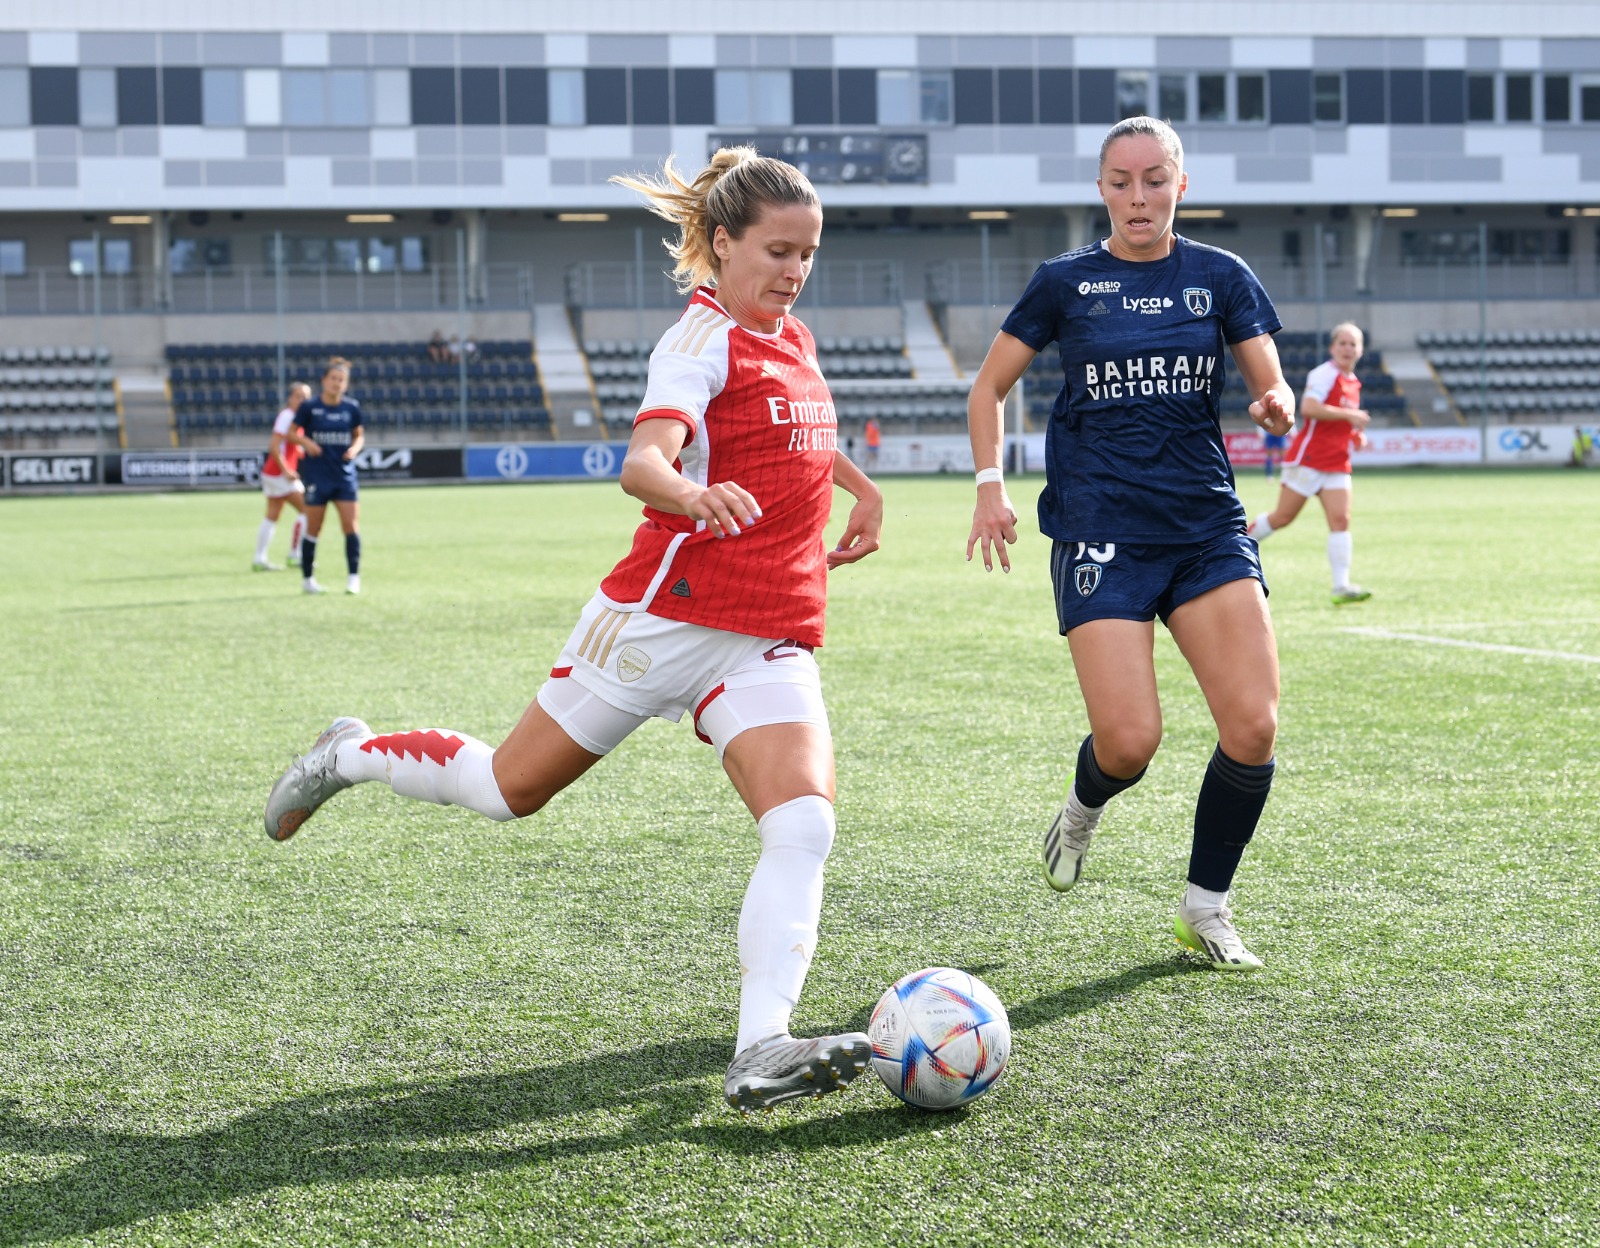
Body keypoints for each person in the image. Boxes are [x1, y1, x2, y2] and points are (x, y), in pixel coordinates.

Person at [264, 147, 885, 1112]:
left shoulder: (790, 335)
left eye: (808, 253)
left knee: (803, 823)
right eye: (777, 251)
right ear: (722, 246)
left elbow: (794, 433)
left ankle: (762, 1045)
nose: (795, 271)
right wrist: (691, 493)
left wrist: (859, 486)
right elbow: (645, 463)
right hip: (657, 622)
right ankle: (347, 755)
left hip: (764, 632)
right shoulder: (698, 339)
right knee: (506, 790)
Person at [965, 115, 1294, 972]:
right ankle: (1083, 807)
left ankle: (1205, 908)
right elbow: (989, 387)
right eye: (1121, 181)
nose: (1138, 197)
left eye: (1155, 179)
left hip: (1203, 528)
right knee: (1128, 745)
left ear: (1181, 184)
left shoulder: (1219, 276)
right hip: (1100, 527)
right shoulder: (1065, 283)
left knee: (1254, 726)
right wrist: (989, 486)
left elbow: (1269, 380)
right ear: (1102, 189)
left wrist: (1275, 405)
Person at [1248, 322, 1372, 604]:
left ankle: (1341, 587)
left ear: (1361, 350)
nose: (1347, 348)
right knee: (1282, 517)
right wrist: (1349, 417)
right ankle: (1233, 546)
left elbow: (1338, 419)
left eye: (1353, 344)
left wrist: (1354, 435)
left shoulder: (1353, 382)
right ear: (1332, 348)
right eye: (1342, 343)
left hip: (1337, 461)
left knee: (1341, 520)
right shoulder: (1325, 374)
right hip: (1310, 459)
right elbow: (1309, 408)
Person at [289, 357, 364, 595]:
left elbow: (359, 435)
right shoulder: (310, 407)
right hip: (317, 476)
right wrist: (307, 442)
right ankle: (307, 580)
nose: (337, 383)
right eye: (333, 378)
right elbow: (291, 433)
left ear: (346, 384)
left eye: (341, 380)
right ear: (324, 380)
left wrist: (355, 448)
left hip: (343, 476)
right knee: (314, 527)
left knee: (350, 526)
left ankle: (353, 578)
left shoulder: (351, 407)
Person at [252, 382, 310, 571]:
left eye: (305, 397)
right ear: (290, 398)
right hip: (279, 474)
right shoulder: (287, 416)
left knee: (272, 515)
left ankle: (259, 559)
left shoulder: (296, 418)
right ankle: (295, 555)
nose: (302, 400)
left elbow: (291, 446)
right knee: (307, 509)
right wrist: (286, 470)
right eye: (298, 396)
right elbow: (275, 446)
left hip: (274, 473)